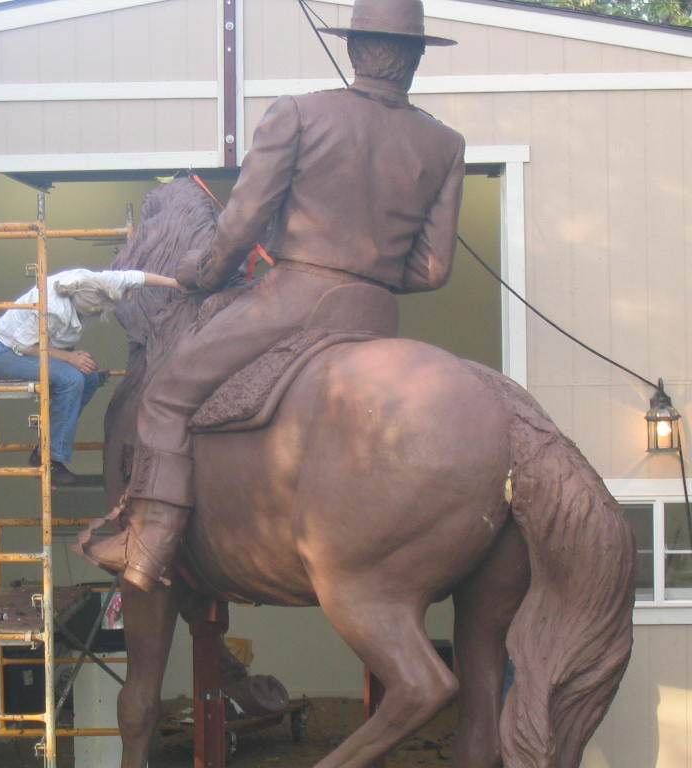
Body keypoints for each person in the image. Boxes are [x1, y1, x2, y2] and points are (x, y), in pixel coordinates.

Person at [78, 0, 466, 590]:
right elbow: (434, 269)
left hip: (294, 301)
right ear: (414, 59)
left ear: (355, 50)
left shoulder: (299, 114)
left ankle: (148, 545)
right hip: (376, 314)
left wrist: (202, 273)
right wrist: (372, 269)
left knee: (165, 396)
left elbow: (241, 223)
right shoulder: (444, 143)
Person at [0, 268, 180, 485]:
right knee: (71, 379)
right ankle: (52, 459)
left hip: (28, 346)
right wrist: (69, 357)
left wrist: (176, 283)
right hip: (3, 350)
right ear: (83, 309)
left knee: (89, 378)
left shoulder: (99, 283)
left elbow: (138, 277)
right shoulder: (51, 308)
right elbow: (22, 344)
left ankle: (45, 449)